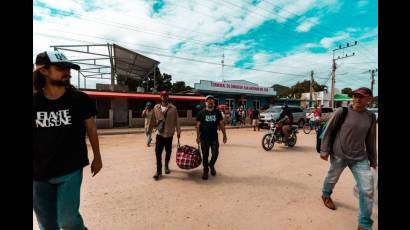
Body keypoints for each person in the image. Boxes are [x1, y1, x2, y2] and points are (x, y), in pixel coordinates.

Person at [33, 51, 102, 230]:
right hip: (38, 172)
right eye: (61, 68)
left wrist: (97, 157)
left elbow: (91, 129)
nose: (68, 72)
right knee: (47, 225)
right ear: (43, 71)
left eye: (69, 68)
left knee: (68, 221)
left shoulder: (80, 99)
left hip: (70, 169)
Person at [319, 87, 377, 230]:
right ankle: (326, 195)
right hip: (339, 155)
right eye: (355, 96)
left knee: (367, 190)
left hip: (360, 158)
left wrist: (373, 160)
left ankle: (364, 225)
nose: (357, 99)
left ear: (369, 99)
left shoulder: (370, 117)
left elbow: (370, 139)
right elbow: (329, 130)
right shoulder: (342, 111)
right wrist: (324, 150)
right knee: (332, 178)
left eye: (361, 97)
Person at [150, 91, 181, 180]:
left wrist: (178, 131)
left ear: (168, 97)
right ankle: (158, 171)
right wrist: (150, 130)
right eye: (163, 96)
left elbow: (177, 120)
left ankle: (166, 166)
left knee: (168, 151)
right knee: (158, 152)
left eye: (166, 96)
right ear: (160, 97)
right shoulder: (156, 107)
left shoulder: (173, 108)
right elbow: (152, 119)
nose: (164, 97)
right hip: (159, 134)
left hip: (169, 134)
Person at [196, 95, 227, 180]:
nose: (210, 102)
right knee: (205, 155)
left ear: (214, 103)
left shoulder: (217, 112)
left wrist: (224, 135)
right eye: (208, 100)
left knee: (215, 153)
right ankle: (205, 170)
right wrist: (197, 137)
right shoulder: (201, 113)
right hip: (204, 138)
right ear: (206, 102)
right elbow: (198, 125)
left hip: (214, 138)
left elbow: (221, 123)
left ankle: (211, 164)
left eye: (212, 100)